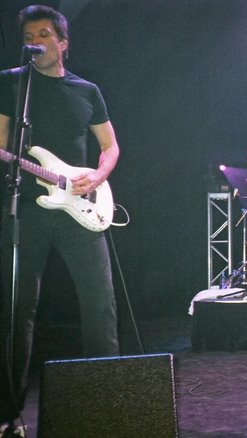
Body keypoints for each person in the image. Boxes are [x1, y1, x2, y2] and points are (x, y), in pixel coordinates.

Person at [0, 5, 120, 434]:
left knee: (99, 304)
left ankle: (109, 400)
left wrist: (98, 176)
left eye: (44, 34)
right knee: (17, 311)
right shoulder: (12, 84)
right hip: (26, 211)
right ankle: (8, 415)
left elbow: (109, 146)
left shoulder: (86, 90)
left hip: (80, 208)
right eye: (29, 36)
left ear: (63, 42)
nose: (35, 41)